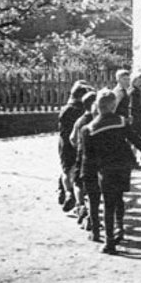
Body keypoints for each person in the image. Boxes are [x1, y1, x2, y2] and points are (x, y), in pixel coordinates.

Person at [80, 89, 141, 254]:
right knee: (118, 197)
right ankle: (119, 227)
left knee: (108, 203)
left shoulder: (88, 129)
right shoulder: (121, 121)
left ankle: (109, 242)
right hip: (123, 167)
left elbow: (88, 157)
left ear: (97, 106)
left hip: (105, 170)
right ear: (114, 106)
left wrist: (86, 175)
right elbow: (135, 139)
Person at [58, 82, 92, 212]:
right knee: (79, 171)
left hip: (65, 143)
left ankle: (68, 192)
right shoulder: (84, 112)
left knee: (66, 170)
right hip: (80, 144)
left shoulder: (65, 109)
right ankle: (80, 198)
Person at [69, 91, 97, 229]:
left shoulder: (80, 121)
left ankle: (80, 205)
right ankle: (91, 215)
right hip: (97, 156)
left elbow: (72, 138)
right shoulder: (98, 120)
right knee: (94, 187)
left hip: (82, 155)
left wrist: (78, 147)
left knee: (78, 183)